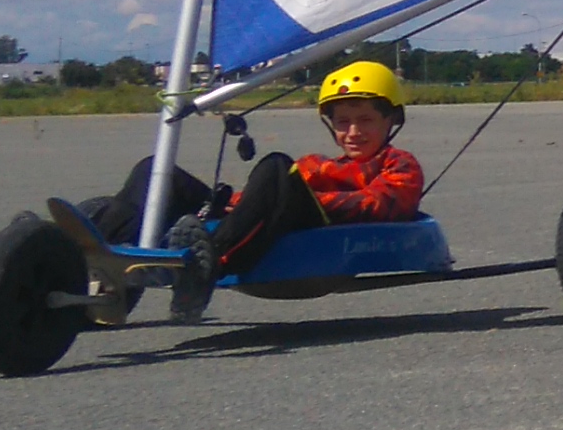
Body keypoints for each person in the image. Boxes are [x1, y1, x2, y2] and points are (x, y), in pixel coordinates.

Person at [87, 60, 426, 291]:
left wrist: (301, 198)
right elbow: (255, 201)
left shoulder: (400, 165)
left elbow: (380, 205)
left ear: (390, 120)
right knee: (156, 172)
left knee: (277, 165)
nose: (352, 132)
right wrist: (231, 203)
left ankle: (205, 265)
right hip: (262, 223)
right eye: (342, 122)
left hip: (318, 229)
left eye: (365, 120)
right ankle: (96, 260)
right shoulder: (314, 164)